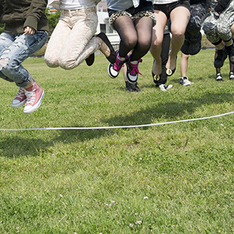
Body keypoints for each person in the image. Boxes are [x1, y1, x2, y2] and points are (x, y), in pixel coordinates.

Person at [0, 0, 48, 114]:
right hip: (10, 30)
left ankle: (33, 89)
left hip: (34, 29)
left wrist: (32, 21)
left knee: (7, 63)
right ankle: (25, 85)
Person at [44, 0, 116, 71]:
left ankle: (99, 42)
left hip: (86, 16)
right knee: (51, 60)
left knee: (66, 62)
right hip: (64, 17)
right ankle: (87, 44)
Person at [107, 0, 156, 84]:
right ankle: (119, 58)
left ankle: (133, 61)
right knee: (130, 40)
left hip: (143, 5)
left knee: (145, 42)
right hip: (119, 6)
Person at [150, 0, 190, 80]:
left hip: (178, 3)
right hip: (155, 5)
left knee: (178, 32)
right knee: (155, 42)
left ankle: (172, 56)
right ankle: (158, 61)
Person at [202, 0, 234, 69]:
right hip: (213, 6)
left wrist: (218, 8)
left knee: (222, 28)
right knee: (208, 27)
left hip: (228, 6)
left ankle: (231, 48)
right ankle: (221, 50)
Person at [152, 20, 173, 91]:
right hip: (155, 33)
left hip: (165, 33)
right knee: (158, 57)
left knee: (164, 57)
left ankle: (162, 81)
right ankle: (158, 81)